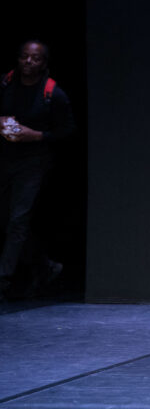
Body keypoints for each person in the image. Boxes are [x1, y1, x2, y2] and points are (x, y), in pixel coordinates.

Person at [0, 41, 75, 301]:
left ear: (44, 63)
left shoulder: (52, 93)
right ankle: (44, 266)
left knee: (18, 220)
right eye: (24, 57)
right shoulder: (5, 84)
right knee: (8, 220)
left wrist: (37, 135)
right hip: (5, 157)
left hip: (33, 162)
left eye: (35, 58)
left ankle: (3, 279)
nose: (29, 62)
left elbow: (67, 130)